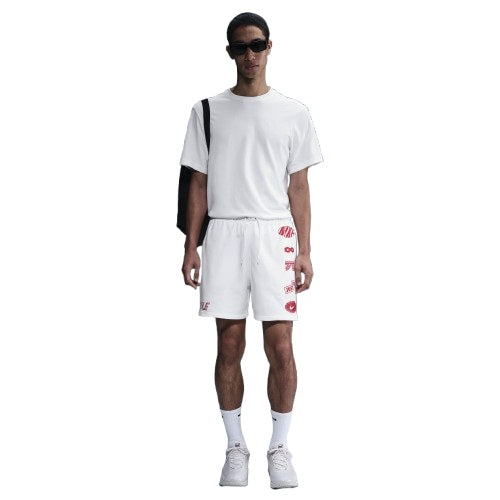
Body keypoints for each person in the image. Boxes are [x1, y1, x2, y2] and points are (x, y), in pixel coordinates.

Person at [179, 12, 323, 489]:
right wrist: (191, 246)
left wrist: (305, 250)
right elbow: (197, 183)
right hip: (224, 233)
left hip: (274, 233)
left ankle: (279, 447)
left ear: (269, 47)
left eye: (256, 45)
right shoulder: (206, 111)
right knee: (229, 344)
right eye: (240, 47)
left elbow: (299, 187)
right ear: (229, 53)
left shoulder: (293, 113)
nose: (249, 55)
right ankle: (235, 446)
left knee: (280, 345)